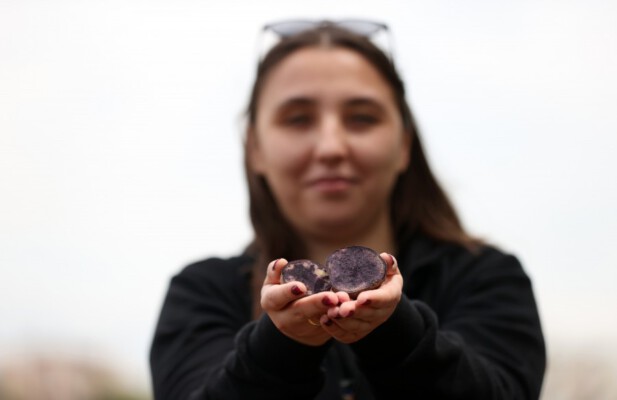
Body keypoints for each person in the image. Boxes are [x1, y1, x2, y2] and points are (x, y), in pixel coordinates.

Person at [149, 19, 546, 400]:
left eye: (361, 118)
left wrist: (396, 330)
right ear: (255, 149)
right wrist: (281, 345)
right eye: (299, 118)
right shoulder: (202, 293)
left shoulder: (486, 278)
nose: (331, 147)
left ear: (404, 144)